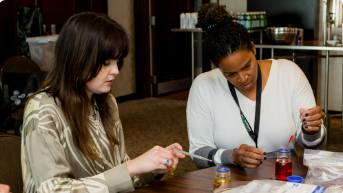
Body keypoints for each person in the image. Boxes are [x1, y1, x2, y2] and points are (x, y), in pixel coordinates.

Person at [21, 12, 185, 193]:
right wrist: (133, 167)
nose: (115, 70)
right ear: (78, 59)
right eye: (107, 62)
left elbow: (118, 174)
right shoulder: (42, 110)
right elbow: (54, 190)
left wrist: (151, 169)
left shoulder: (107, 103)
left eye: (117, 61)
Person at [187, 3, 326, 169]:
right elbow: (198, 154)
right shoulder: (203, 86)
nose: (243, 78)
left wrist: (311, 131)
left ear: (253, 49)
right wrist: (232, 156)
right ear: (218, 67)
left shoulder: (288, 73)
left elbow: (314, 145)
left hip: (282, 175)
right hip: (230, 179)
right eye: (230, 74)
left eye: (247, 66)